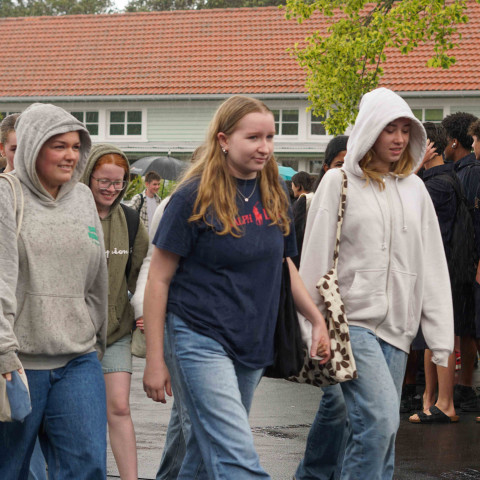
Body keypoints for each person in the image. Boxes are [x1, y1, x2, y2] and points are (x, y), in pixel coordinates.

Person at [142, 95, 331, 480]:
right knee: (235, 454)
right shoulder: (191, 196)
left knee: (204, 447)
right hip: (198, 335)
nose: (264, 147)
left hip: (253, 341)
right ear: (224, 140)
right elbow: (158, 278)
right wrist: (155, 359)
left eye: (270, 137)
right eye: (254, 137)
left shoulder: (276, 194)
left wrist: (315, 319)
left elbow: (285, 266)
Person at [296, 88, 454, 480]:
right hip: (352, 324)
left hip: (399, 329)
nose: (399, 138)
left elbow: (431, 265)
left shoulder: (416, 190)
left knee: (380, 430)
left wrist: (440, 337)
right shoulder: (338, 182)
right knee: (380, 421)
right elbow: (315, 258)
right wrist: (310, 325)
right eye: (389, 129)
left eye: (405, 129)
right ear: (369, 131)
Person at [0, 103, 108, 478]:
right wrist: (3, 352)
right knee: (10, 469)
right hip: (18, 364)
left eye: (76, 146)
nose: (71, 156)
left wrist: (95, 338)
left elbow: (97, 278)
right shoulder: (6, 196)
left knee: (88, 467)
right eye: (58, 145)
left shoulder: (81, 199)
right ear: (32, 146)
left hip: (78, 360)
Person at [81, 143, 149, 480]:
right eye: (103, 182)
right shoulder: (70, 213)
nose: (110, 189)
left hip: (117, 331)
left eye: (118, 183)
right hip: (73, 334)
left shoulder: (132, 221)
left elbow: (143, 275)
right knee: (79, 414)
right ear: (88, 176)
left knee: (119, 407)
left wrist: (144, 311)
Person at [408, 122, 463, 424]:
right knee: (431, 337)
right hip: (438, 266)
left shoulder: (437, 184)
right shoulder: (440, 179)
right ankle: (432, 400)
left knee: (438, 335)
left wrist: (414, 172)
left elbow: (414, 222)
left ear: (428, 148)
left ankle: (444, 403)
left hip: (439, 268)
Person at [442, 112, 480, 413]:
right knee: (466, 327)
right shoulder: (464, 170)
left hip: (465, 261)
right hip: (468, 261)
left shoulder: (466, 174)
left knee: (465, 325)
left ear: (455, 141)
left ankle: (463, 386)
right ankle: (464, 386)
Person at [291, 171, 314, 268]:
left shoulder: (303, 200)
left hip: (301, 247)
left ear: (298, 186)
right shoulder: (315, 196)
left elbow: (297, 227)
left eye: (292, 185)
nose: (292, 188)